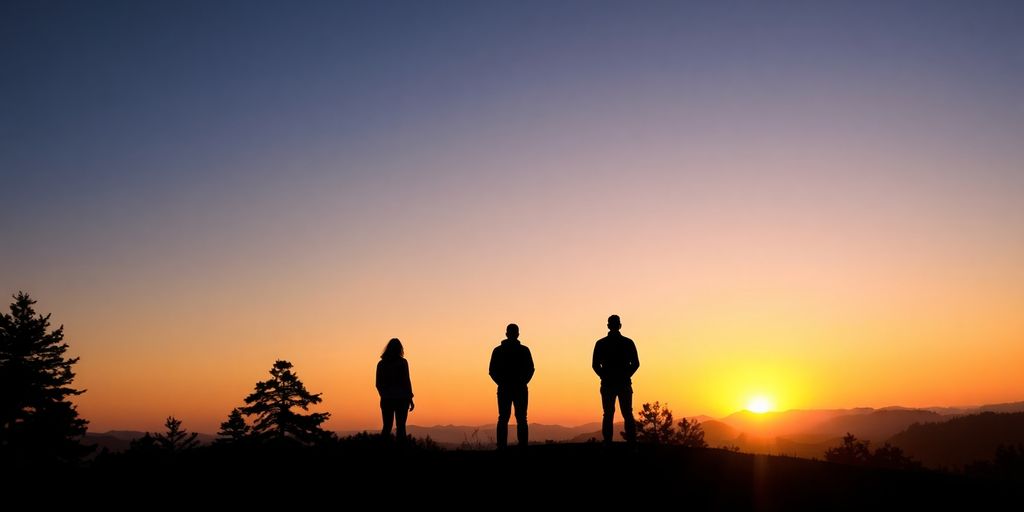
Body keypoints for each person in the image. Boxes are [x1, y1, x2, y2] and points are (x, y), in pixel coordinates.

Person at [592, 314, 639, 445]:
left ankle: (608, 442)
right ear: (620, 325)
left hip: (609, 383)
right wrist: (626, 375)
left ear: (608, 326)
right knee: (627, 413)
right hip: (622, 383)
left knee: (608, 413)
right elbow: (635, 363)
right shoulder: (627, 342)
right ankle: (631, 442)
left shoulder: (601, 343)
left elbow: (595, 365)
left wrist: (604, 375)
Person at [488, 323, 535, 449]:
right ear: (517, 334)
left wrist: (502, 383)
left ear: (506, 334)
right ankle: (521, 446)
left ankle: (502, 446)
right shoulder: (524, 350)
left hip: (506, 388)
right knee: (520, 418)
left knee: (504, 417)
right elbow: (531, 369)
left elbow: (492, 371)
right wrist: (523, 382)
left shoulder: (498, 350)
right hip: (518, 388)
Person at [376, 338, 414, 441]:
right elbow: (407, 382)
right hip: (401, 399)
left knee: (387, 427)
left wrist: (384, 395)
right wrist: (410, 398)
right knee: (401, 427)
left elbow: (378, 384)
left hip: (387, 400)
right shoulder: (402, 363)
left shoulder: (381, 364)